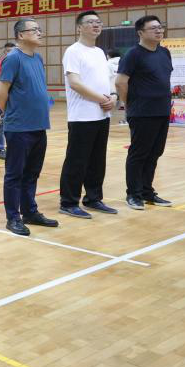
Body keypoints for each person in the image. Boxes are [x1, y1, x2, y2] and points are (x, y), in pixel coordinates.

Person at [0, 19, 59, 236]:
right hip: (19, 127)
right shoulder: (13, 58)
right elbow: (0, 92)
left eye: (40, 29)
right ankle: (13, 217)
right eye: (35, 30)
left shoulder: (38, 58)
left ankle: (30, 212)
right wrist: (10, 114)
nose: (40, 33)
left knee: (32, 173)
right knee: (15, 174)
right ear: (21, 35)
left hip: (39, 125)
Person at [58, 11, 118, 219]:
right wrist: (102, 99)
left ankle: (93, 198)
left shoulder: (100, 52)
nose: (96, 25)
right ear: (79, 27)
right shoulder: (73, 51)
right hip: (82, 117)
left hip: (102, 115)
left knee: (97, 160)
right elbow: (75, 83)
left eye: (98, 22)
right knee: (77, 161)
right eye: (90, 22)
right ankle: (68, 202)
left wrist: (113, 96)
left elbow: (108, 79)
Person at [115, 15, 174, 211]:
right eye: (153, 28)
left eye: (160, 27)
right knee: (139, 154)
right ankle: (133, 194)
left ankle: (147, 192)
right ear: (140, 32)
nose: (159, 31)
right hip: (142, 112)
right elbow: (120, 82)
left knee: (155, 153)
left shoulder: (164, 52)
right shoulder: (133, 54)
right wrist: (129, 104)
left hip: (162, 110)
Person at [0, 42, 15, 159]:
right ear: (4, 52)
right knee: (2, 124)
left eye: (13, 51)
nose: (10, 53)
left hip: (16, 100)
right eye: (8, 51)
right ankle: (1, 149)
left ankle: (11, 148)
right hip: (4, 98)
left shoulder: (17, 62)